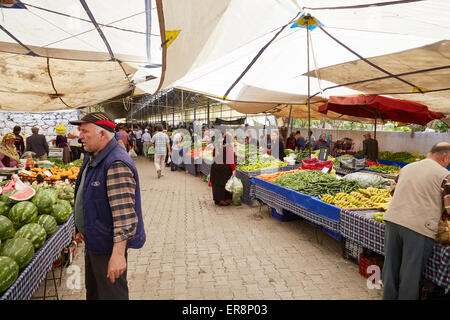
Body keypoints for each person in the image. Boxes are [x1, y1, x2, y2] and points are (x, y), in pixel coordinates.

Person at [70, 112, 146, 300]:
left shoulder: (116, 163)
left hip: (108, 247)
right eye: (80, 131)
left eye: (84, 131)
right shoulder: (94, 156)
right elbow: (88, 195)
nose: (80, 136)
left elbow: (125, 216)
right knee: (95, 293)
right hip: (95, 240)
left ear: (102, 134)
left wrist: (118, 255)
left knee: (111, 295)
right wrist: (80, 226)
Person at [382, 142, 450, 300]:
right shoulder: (444, 175)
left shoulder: (407, 167)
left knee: (390, 268)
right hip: (418, 228)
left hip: (393, 221)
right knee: (409, 274)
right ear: (446, 158)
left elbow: (393, 191)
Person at [210, 133, 235, 206]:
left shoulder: (217, 147)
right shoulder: (229, 147)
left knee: (216, 184)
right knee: (222, 184)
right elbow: (231, 161)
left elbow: (213, 156)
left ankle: (217, 200)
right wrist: (233, 170)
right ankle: (223, 200)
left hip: (215, 167)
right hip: (223, 168)